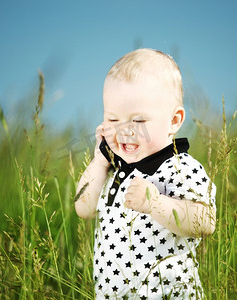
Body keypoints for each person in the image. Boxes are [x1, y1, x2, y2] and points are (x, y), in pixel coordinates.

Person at [75, 48, 216, 299]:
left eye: (138, 121)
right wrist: (99, 161)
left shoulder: (180, 167)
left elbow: (205, 221)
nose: (125, 131)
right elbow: (83, 208)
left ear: (174, 121)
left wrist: (156, 203)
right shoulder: (112, 169)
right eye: (113, 119)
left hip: (167, 293)